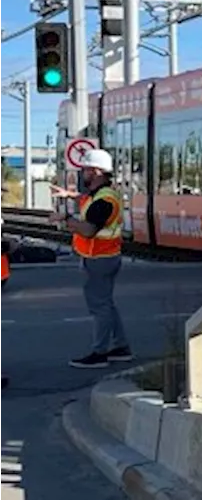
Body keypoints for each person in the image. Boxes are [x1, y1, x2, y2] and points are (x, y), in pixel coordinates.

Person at [50, 149, 133, 368]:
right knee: (106, 304)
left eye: (85, 169)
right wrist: (70, 196)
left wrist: (66, 219)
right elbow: (88, 201)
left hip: (99, 259)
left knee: (99, 307)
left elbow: (88, 230)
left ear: (96, 171)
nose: (82, 174)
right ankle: (120, 347)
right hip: (105, 257)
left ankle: (100, 353)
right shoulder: (104, 194)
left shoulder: (104, 201)